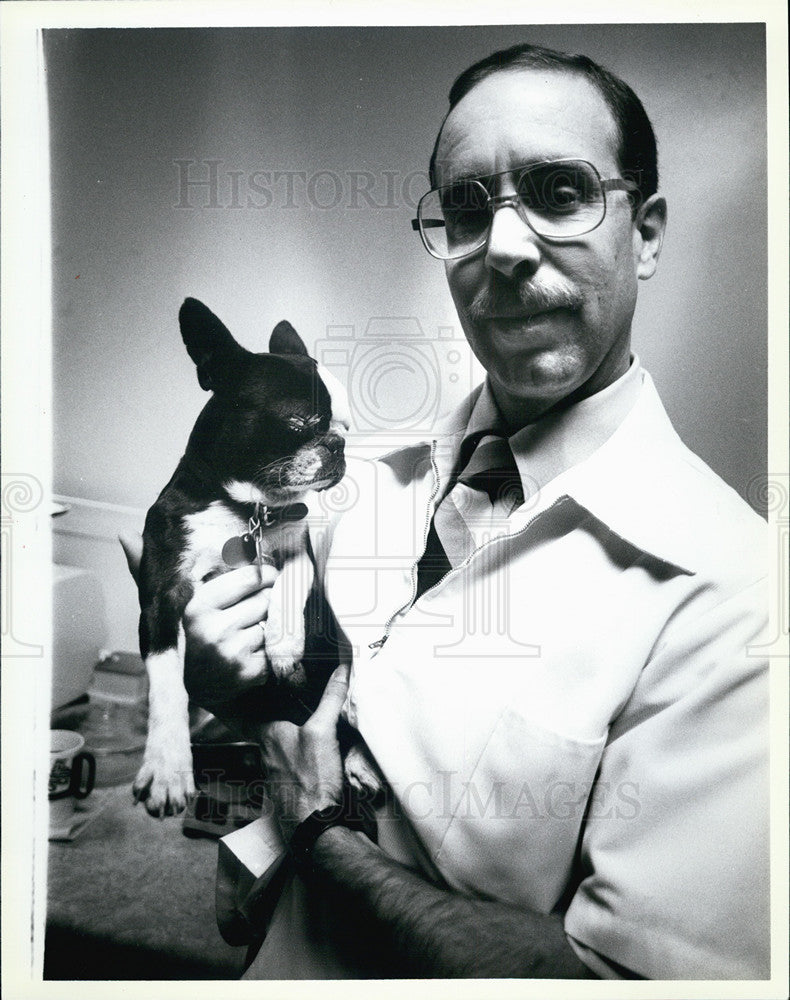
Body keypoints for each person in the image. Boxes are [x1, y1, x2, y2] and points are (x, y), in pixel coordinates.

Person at [122, 43, 769, 980]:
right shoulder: (356, 495)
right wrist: (230, 712)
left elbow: (617, 978)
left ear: (650, 233)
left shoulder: (733, 597)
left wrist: (320, 838)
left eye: (557, 191)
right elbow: (305, 755)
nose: (503, 247)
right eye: (468, 208)